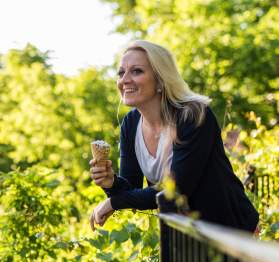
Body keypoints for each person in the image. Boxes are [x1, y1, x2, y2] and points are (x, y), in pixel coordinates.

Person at [89, 40, 259, 233]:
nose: (124, 80)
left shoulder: (193, 115)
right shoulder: (130, 124)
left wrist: (113, 202)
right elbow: (131, 190)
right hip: (183, 236)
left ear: (161, 79)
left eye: (136, 71)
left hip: (229, 230)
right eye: (121, 72)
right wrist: (111, 183)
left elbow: (175, 191)